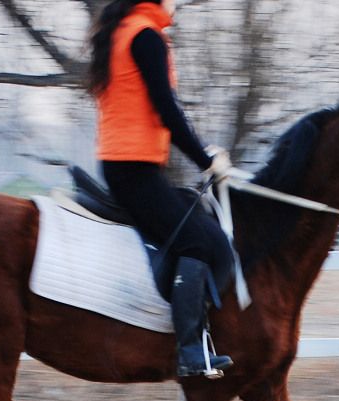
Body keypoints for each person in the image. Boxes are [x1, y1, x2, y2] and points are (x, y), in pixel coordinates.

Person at [88, 0, 235, 378]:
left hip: (128, 165)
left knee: (194, 221)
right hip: (133, 169)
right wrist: (206, 160)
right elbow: (166, 109)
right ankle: (190, 351)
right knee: (198, 242)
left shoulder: (124, 30)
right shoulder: (145, 35)